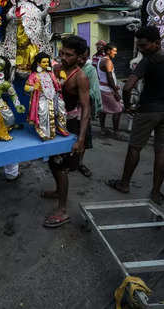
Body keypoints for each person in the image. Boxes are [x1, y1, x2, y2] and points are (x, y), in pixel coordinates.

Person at [107, 26, 164, 205]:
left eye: (144, 46)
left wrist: (127, 106)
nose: (141, 49)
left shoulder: (147, 61)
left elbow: (127, 87)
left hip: (148, 110)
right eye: (139, 46)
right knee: (162, 151)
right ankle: (156, 193)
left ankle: (124, 184)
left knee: (135, 147)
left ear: (157, 42)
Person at [41, 35, 90, 227]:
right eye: (61, 53)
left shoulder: (81, 77)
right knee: (53, 163)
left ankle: (62, 210)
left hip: (71, 126)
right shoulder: (56, 69)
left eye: (68, 55)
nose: (63, 57)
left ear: (79, 57)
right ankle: (57, 191)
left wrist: (81, 139)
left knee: (61, 167)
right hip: (55, 123)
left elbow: (87, 109)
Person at [76, 48, 101, 177]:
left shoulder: (89, 70)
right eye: (79, 57)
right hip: (68, 111)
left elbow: (94, 91)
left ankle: (79, 163)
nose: (80, 60)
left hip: (83, 111)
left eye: (84, 58)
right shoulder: (65, 68)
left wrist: (78, 92)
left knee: (83, 138)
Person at [98, 43, 123, 135]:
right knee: (118, 110)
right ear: (108, 51)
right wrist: (116, 91)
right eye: (114, 51)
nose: (115, 53)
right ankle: (116, 132)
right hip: (108, 90)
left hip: (103, 88)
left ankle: (102, 129)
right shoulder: (107, 61)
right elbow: (110, 78)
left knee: (103, 110)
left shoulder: (102, 59)